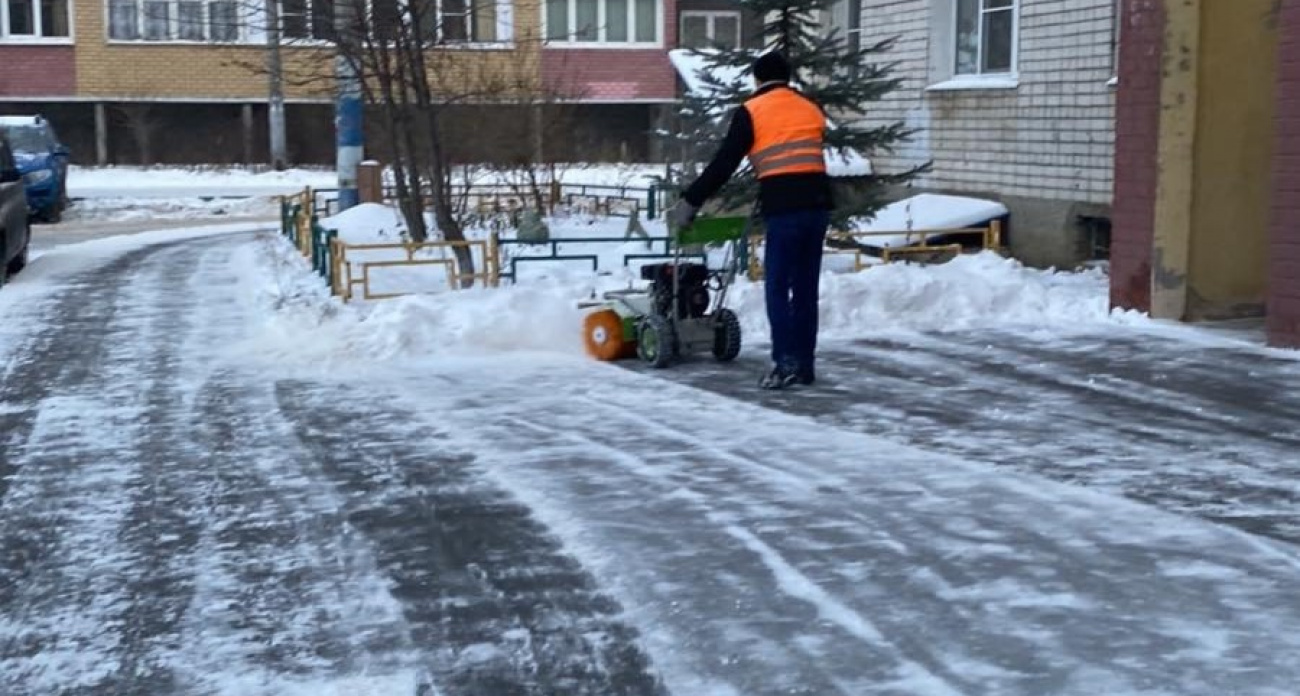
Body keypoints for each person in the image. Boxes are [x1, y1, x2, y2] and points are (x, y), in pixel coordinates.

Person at [669, 51, 832, 390]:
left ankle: (784, 363)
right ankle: (804, 365)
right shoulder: (810, 107)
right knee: (805, 289)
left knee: (777, 287)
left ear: (757, 79)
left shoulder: (752, 110)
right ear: (787, 77)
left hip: (784, 209)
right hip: (818, 207)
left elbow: (724, 163)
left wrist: (691, 200)